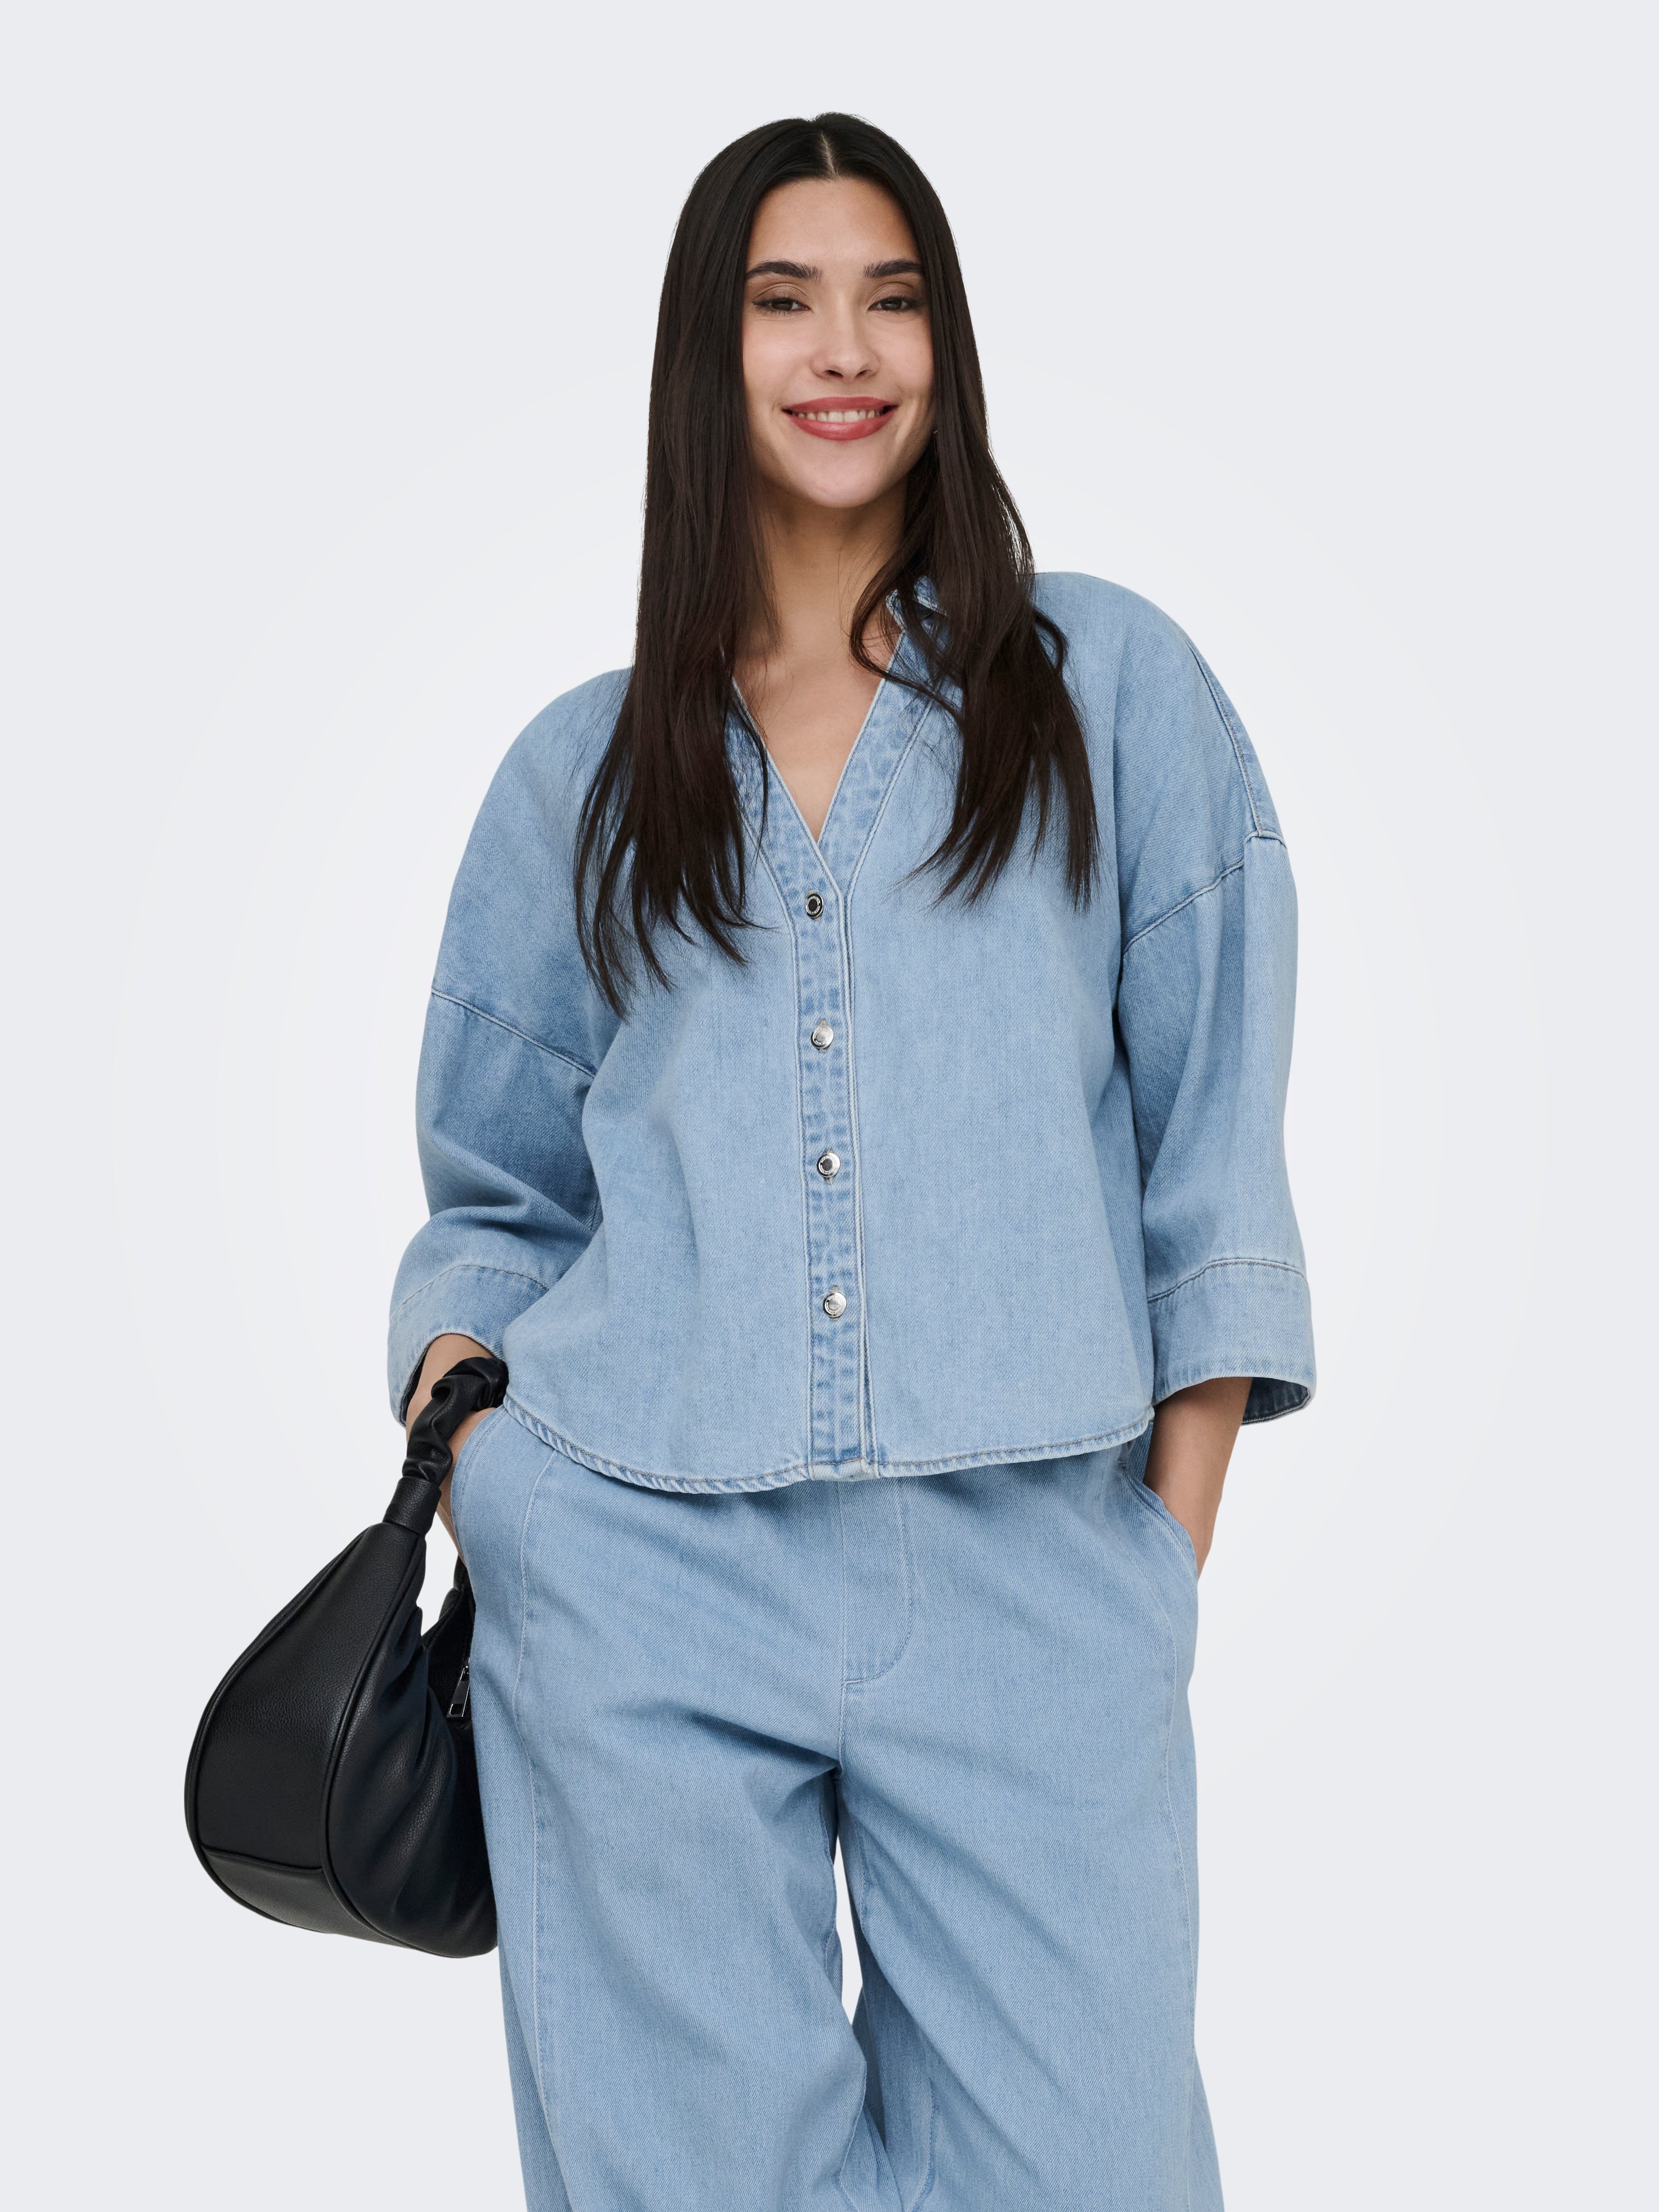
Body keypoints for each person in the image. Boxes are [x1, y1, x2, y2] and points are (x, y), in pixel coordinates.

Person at [392, 111, 1314, 2212]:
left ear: (943, 347)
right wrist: (497, 1473)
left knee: (1091, 2175)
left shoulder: (1105, 693)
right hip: (638, 1574)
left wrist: (1151, 1566)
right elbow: (497, 1196)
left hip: (1031, 1570)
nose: (843, 349)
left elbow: (1211, 1140)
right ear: (703, 355)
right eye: (783, 299)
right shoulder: (582, 771)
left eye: (891, 299)